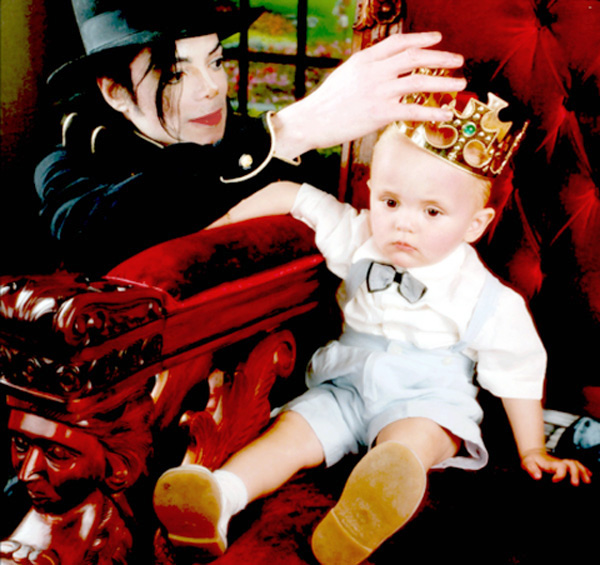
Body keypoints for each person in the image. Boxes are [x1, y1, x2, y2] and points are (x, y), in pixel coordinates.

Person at [152, 89, 593, 564]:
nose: (404, 224)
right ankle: (221, 495)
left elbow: (518, 372)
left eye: (431, 212)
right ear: (371, 193)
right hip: (344, 387)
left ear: (475, 224)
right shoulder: (359, 235)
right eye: (390, 201)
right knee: (291, 435)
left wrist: (532, 450)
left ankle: (364, 512)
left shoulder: (488, 298)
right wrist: (219, 225)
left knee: (413, 441)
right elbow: (293, 196)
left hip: (428, 396)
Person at [34, 0, 468, 275]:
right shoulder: (67, 167)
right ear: (115, 92)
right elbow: (93, 238)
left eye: (216, 62)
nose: (212, 88)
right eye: (177, 74)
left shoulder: (249, 139)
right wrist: (288, 131)